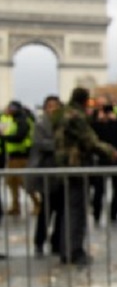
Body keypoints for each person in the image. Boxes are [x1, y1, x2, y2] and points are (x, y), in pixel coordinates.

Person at [52, 87, 117, 265]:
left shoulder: (62, 113)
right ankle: (75, 251)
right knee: (78, 209)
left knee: (67, 210)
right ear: (84, 100)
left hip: (62, 164)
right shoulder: (76, 116)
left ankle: (65, 250)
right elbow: (89, 140)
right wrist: (110, 151)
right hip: (76, 165)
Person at [28, 95, 64, 257]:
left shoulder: (64, 124)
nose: (53, 109)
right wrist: (59, 145)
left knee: (61, 210)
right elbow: (39, 144)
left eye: (55, 106)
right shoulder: (40, 124)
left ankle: (57, 242)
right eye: (50, 106)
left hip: (62, 173)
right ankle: (39, 242)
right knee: (46, 210)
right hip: (47, 172)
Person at [1, 100, 38, 216]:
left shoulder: (22, 120)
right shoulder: (14, 119)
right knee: (12, 182)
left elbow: (19, 136)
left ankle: (37, 203)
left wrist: (5, 137)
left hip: (21, 156)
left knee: (23, 182)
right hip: (12, 156)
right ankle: (15, 206)